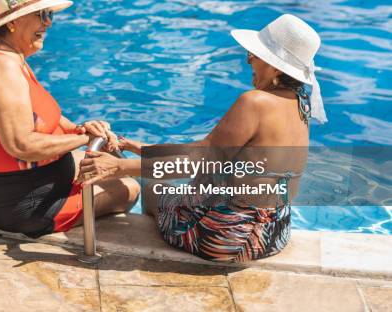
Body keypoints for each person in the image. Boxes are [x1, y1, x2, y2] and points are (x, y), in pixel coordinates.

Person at [78, 14, 327, 261]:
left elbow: (197, 160)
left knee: (154, 190)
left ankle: (154, 252)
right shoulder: (301, 105)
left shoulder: (255, 102)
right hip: (274, 233)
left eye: (254, 55)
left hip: (228, 238)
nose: (249, 60)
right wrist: (138, 147)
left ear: (274, 66)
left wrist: (118, 166)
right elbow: (215, 153)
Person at [0, 0, 139, 238]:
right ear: (13, 23)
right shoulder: (3, 69)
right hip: (24, 204)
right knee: (129, 188)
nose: (48, 22)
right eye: (41, 14)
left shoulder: (10, 57)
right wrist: (83, 140)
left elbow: (39, 114)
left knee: (114, 160)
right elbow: (21, 146)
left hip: (30, 184)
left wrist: (82, 130)